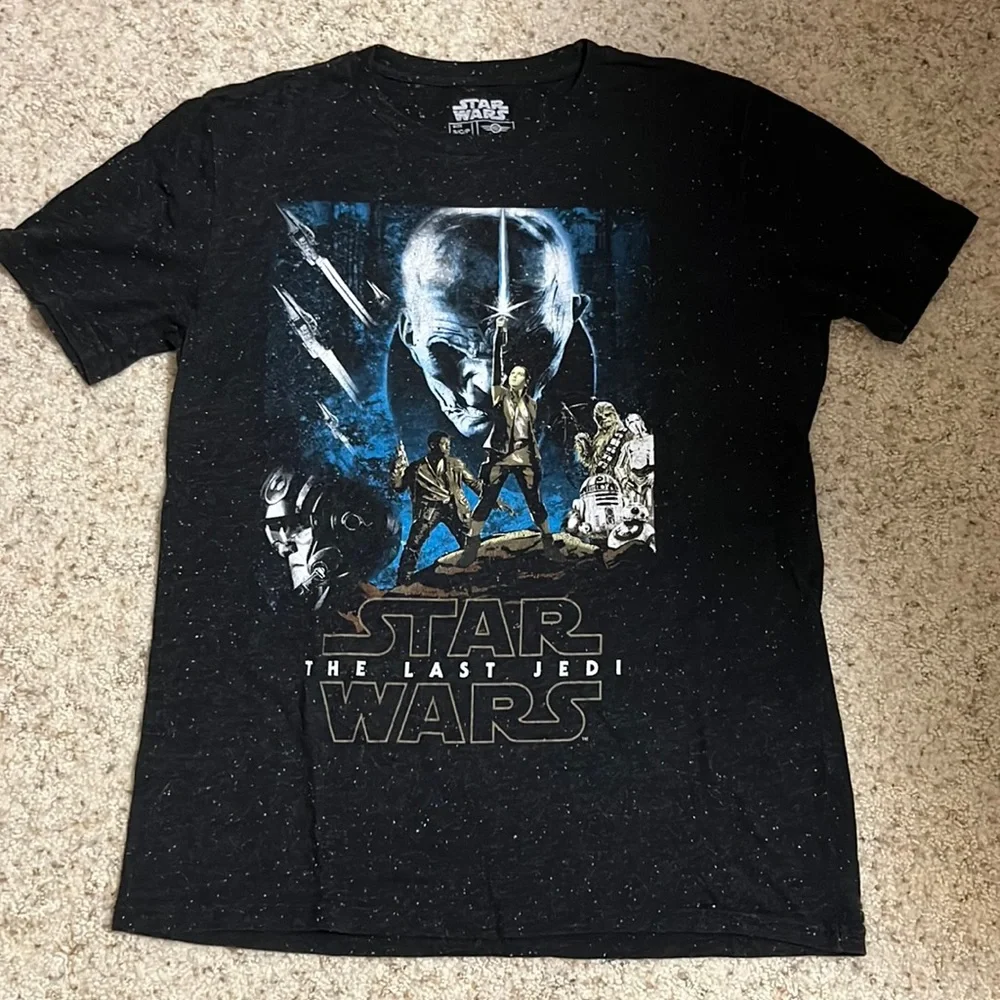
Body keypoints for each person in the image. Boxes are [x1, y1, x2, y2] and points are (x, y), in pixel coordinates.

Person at [457, 315, 560, 567]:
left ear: (526, 381)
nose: (513, 376)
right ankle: (471, 547)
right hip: (500, 456)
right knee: (486, 501)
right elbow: (497, 367)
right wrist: (499, 336)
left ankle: (548, 543)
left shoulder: (531, 404)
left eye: (518, 374)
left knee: (535, 502)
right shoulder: (500, 396)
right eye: (512, 373)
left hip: (525, 456)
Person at [390, 430, 507, 584]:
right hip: (429, 510)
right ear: (432, 445)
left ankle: (480, 572)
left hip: (455, 507)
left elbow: (473, 483)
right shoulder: (416, 468)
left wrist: (491, 499)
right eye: (444, 444)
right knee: (414, 543)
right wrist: (397, 469)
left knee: (469, 541)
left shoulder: (456, 464)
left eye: (449, 444)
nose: (448, 447)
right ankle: (404, 578)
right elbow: (399, 487)